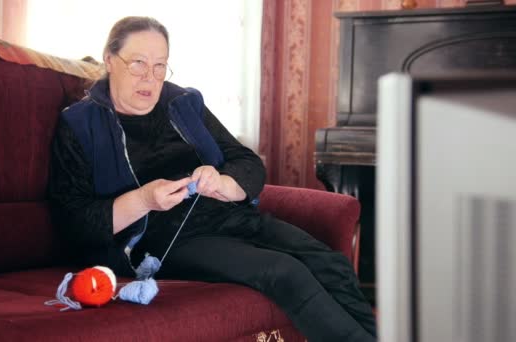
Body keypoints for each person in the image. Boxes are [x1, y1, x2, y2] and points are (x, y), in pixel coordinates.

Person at [48, 16, 377, 342]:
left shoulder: (183, 103)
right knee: (284, 271)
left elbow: (246, 161)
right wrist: (145, 200)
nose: (150, 77)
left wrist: (222, 181)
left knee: (330, 263)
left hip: (229, 217)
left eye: (160, 65)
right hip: (166, 241)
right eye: (138, 63)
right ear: (110, 60)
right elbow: (74, 221)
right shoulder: (80, 125)